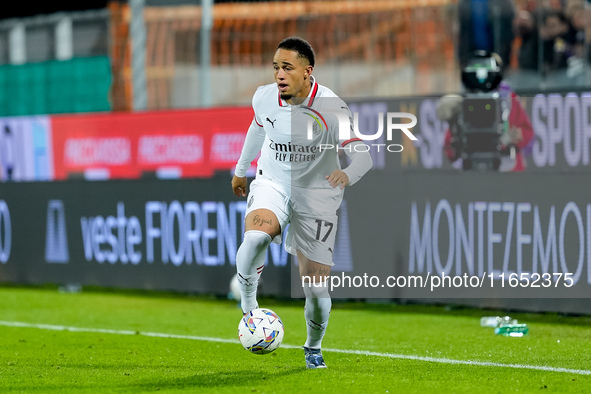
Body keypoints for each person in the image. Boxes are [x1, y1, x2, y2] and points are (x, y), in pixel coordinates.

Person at [231, 37, 372, 369]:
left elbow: (363, 158)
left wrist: (347, 175)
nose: (279, 75)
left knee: (317, 290)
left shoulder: (332, 108)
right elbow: (257, 129)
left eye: (287, 68)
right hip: (273, 182)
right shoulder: (264, 98)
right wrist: (240, 171)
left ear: (308, 72)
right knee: (255, 237)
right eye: (276, 67)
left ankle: (313, 346)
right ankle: (250, 309)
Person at [439, 51, 534, 172]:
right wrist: (453, 124)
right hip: (471, 170)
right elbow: (450, 150)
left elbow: (527, 133)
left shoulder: (508, 100)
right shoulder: (461, 104)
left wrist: (510, 139)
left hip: (506, 170)